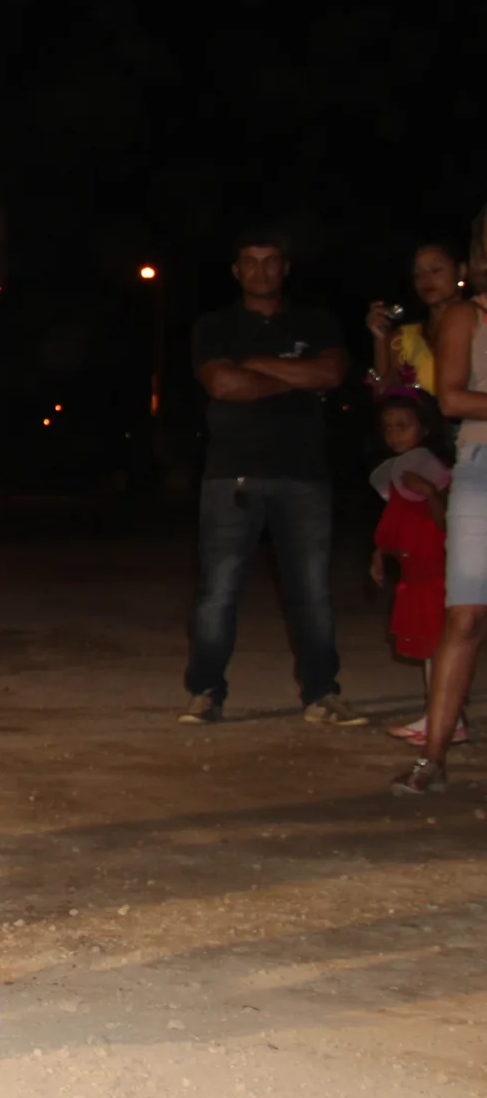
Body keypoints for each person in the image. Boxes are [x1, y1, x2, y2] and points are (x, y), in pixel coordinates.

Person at [184, 230, 362, 726]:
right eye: (251, 262)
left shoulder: (317, 322)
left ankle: (322, 693)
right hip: (231, 477)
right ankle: (206, 692)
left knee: (312, 592)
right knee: (219, 592)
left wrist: (257, 368)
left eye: (271, 261)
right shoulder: (215, 325)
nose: (261, 271)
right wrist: (291, 373)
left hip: (304, 474)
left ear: (285, 268)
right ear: (237, 270)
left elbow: (330, 375)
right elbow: (223, 383)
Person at [396, 209, 487, 793]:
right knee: (465, 616)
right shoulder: (465, 314)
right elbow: (451, 399)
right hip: (482, 469)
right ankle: (434, 756)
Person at [368, 390, 454, 743]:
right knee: (430, 648)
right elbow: (397, 519)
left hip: (435, 570)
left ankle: (444, 720)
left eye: (403, 426)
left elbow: (445, 521)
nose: (394, 435)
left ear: (425, 428)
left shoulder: (430, 468)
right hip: (414, 572)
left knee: (438, 646)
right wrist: (380, 553)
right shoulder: (400, 469)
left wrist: (431, 492)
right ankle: (442, 717)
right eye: (388, 428)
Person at [365, 240, 466, 397]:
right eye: (419, 274)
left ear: (461, 271)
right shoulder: (405, 339)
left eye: (436, 270)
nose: (426, 279)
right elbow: (385, 397)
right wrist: (380, 338)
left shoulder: (481, 324)